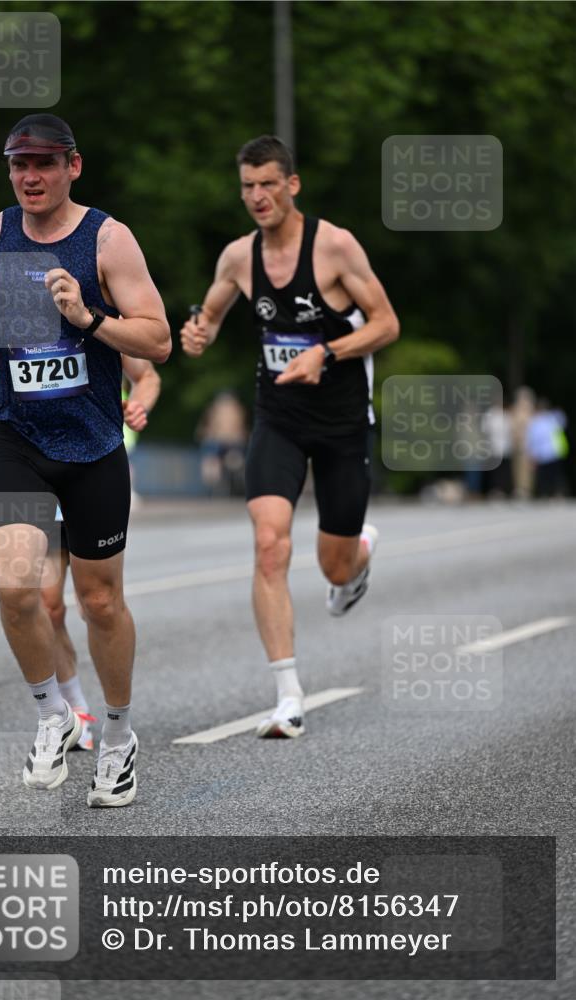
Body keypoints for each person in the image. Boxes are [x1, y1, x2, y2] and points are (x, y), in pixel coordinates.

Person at [0, 113, 170, 807]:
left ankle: (118, 735)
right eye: (19, 164)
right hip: (17, 438)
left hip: (95, 445)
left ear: (73, 166)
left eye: (44, 164)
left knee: (99, 602)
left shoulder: (107, 238)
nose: (30, 177)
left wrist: (87, 318)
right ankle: (53, 714)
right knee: (18, 590)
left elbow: (159, 340)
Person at [181, 135, 399, 738]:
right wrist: (197, 333)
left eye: (269, 184)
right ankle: (288, 696)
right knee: (270, 545)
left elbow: (386, 323)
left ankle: (356, 560)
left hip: (342, 422)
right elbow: (211, 315)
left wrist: (325, 353)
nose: (257, 196)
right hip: (278, 417)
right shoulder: (238, 258)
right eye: (248, 185)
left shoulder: (333, 246)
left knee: (332, 565)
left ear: (292, 184)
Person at [0, 351, 162, 751]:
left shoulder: (94, 310)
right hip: (34, 472)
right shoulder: (14, 318)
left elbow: (148, 373)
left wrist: (139, 404)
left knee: (98, 603)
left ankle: (116, 724)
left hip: (92, 463)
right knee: (48, 604)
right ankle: (74, 711)